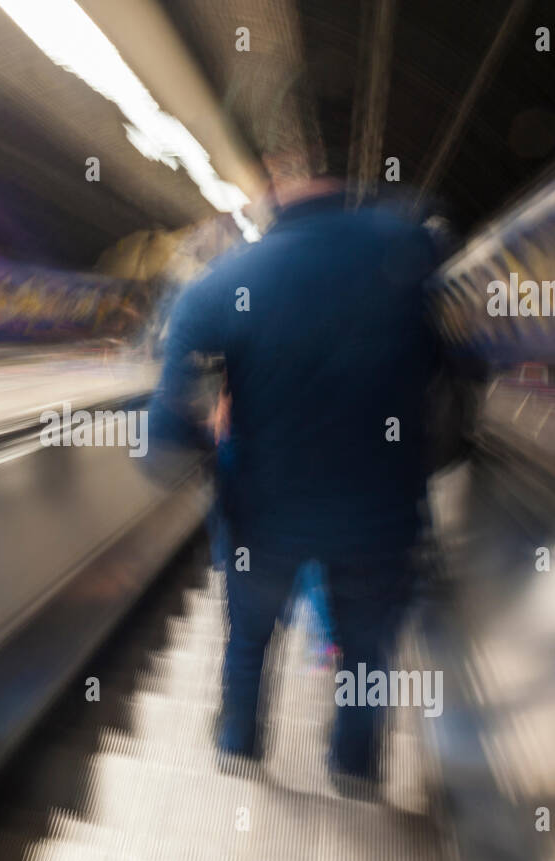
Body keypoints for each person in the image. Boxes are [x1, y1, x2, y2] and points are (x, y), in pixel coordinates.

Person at [143, 106, 441, 791]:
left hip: (263, 513)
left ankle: (239, 753)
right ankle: (357, 773)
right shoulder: (412, 250)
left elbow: (162, 435)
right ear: (349, 172)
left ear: (274, 178)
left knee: (249, 640)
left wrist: (213, 440)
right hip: (381, 513)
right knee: (367, 654)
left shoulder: (220, 283)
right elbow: (463, 369)